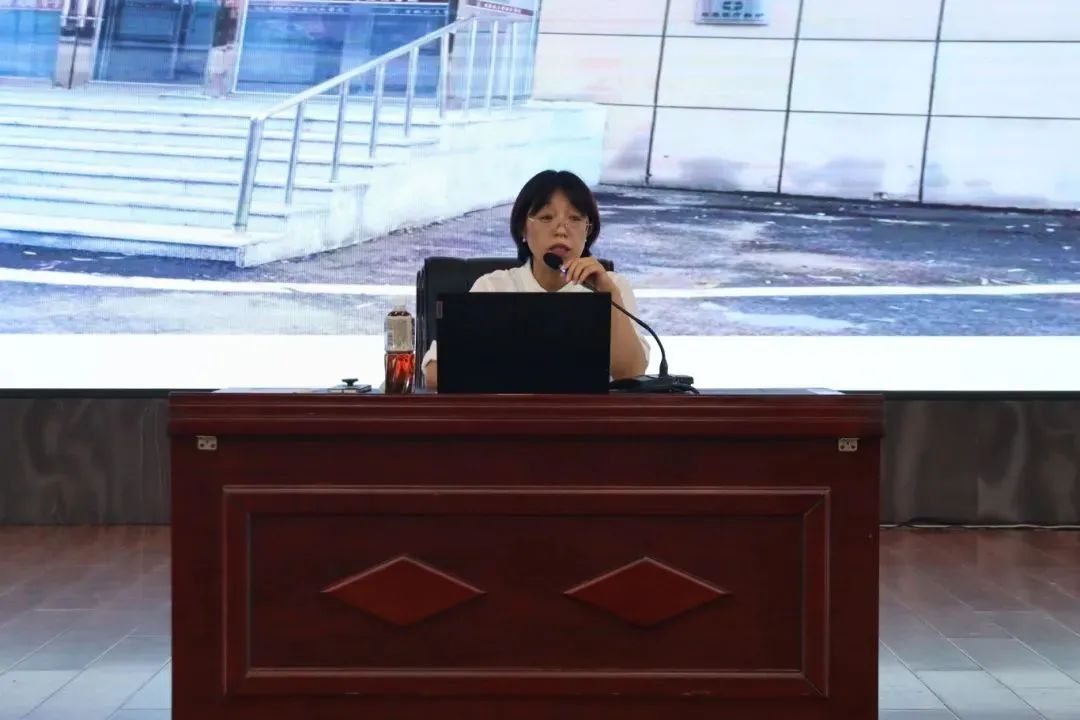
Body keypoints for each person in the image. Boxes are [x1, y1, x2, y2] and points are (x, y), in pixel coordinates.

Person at [422, 169, 650, 390]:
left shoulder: (612, 287)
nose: (561, 230)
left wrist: (608, 294)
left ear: (588, 230)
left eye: (575, 218)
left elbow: (632, 374)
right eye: (546, 217)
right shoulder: (493, 287)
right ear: (523, 228)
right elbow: (434, 371)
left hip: (587, 415)